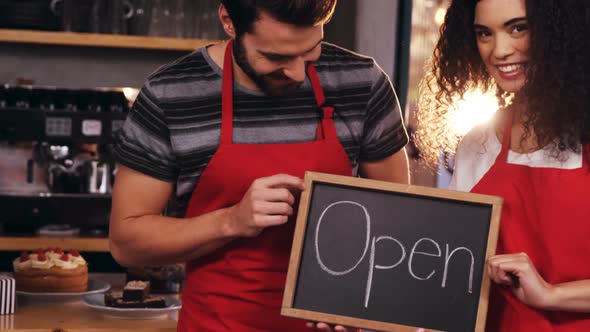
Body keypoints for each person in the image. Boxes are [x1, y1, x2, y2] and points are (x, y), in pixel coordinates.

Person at [109, 1, 410, 331]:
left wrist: (358, 302)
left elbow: (396, 228)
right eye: (276, 57)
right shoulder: (170, 93)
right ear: (229, 22)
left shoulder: (362, 84)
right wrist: (231, 220)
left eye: (311, 50)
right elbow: (127, 243)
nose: (298, 72)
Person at [415, 0, 589, 330]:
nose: (499, 51)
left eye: (518, 28)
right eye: (484, 33)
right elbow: (452, 274)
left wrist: (550, 295)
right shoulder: (478, 143)